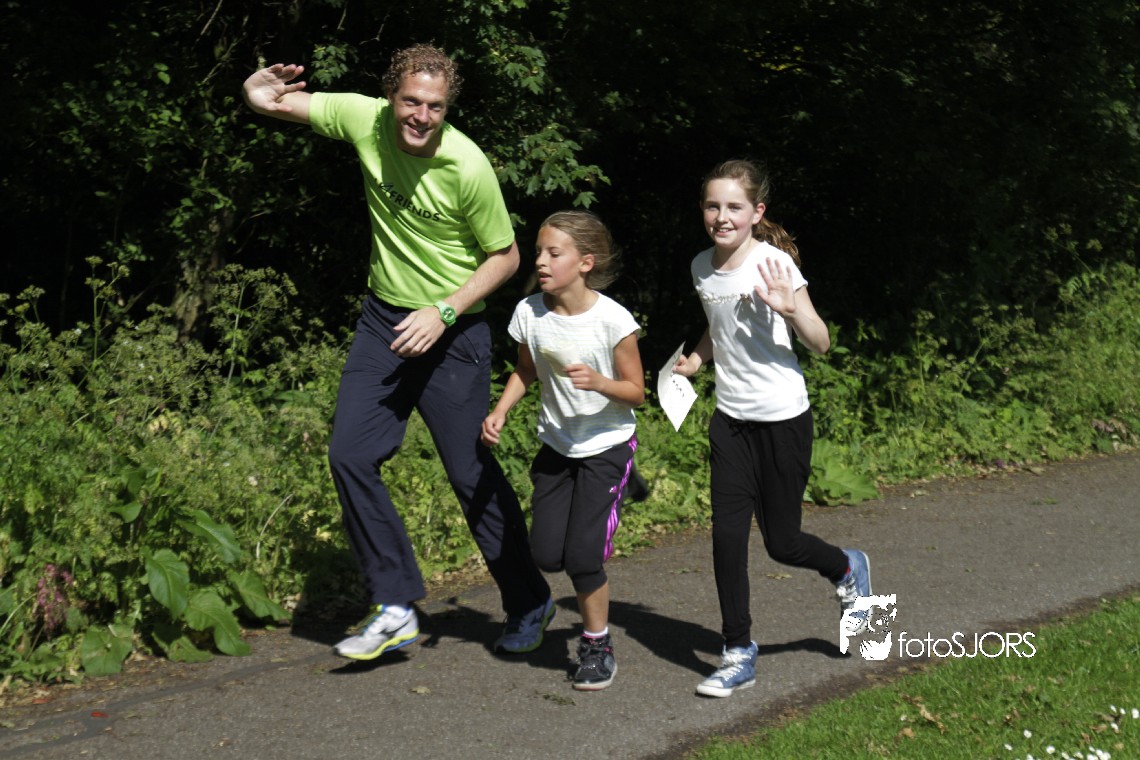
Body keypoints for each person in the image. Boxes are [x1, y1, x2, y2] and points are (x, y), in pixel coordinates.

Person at [241, 44, 554, 661]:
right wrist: (257, 95)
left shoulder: (467, 166)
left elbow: (507, 257)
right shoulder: (365, 118)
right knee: (350, 453)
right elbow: (277, 102)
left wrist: (444, 312)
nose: (421, 116)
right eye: (411, 101)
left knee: (469, 472)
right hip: (384, 321)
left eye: (435, 106)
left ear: (447, 108)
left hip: (454, 331)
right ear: (391, 97)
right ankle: (394, 604)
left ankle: (528, 601)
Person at [672, 159, 872, 698]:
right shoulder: (700, 265)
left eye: (734, 207)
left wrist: (790, 310)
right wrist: (697, 359)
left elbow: (821, 342)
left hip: (783, 420)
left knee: (782, 543)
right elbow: (718, 326)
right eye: (712, 206)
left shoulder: (774, 264)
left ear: (757, 212)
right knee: (727, 538)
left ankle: (848, 567)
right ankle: (738, 651)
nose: (722, 216)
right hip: (730, 422)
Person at [481, 210, 644, 690]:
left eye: (554, 253)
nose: (541, 261)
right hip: (557, 446)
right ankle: (623, 489)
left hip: (606, 447)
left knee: (583, 558)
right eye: (539, 252)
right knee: (547, 555)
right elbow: (526, 370)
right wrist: (500, 410)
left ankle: (597, 646)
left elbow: (636, 391)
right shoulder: (530, 313)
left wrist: (599, 383)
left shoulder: (613, 321)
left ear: (585, 262)